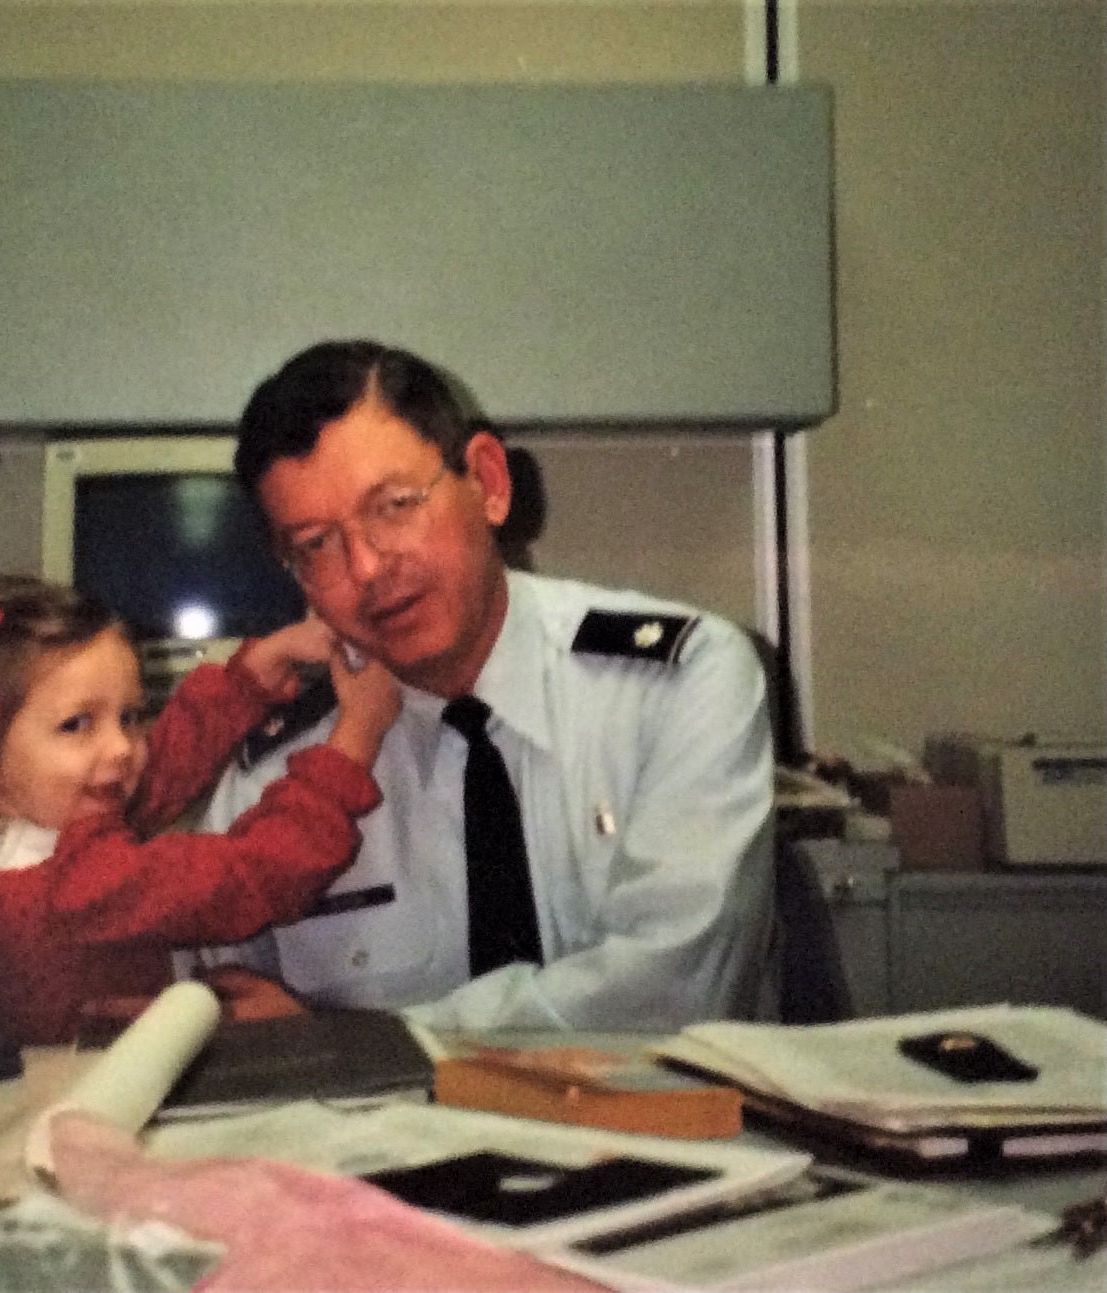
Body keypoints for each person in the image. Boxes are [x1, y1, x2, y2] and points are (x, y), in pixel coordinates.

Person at [196, 339, 775, 1031]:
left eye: (393, 506)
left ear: (489, 483)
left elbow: (672, 992)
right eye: (316, 543)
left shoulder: (677, 681)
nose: (368, 566)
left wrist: (367, 1045)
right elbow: (221, 1006)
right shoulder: (276, 777)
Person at [0, 574, 401, 1044]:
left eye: (129, 717)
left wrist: (251, 678)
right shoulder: (77, 885)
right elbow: (256, 872)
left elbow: (151, 781)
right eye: (77, 724)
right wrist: (356, 738)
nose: (123, 747)